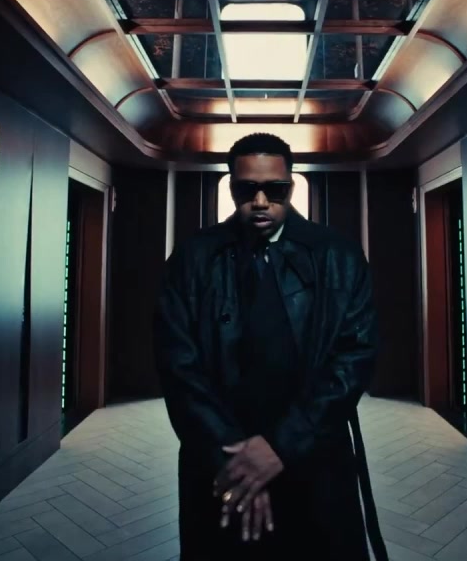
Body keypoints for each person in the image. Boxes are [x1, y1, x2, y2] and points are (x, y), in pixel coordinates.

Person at [153, 132, 389, 560]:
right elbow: (177, 364)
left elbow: (354, 358)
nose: (260, 201)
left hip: (316, 455)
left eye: (274, 189)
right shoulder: (192, 259)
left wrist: (280, 447)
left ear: (291, 186)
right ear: (231, 188)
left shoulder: (338, 256)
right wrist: (239, 461)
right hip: (222, 459)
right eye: (247, 189)